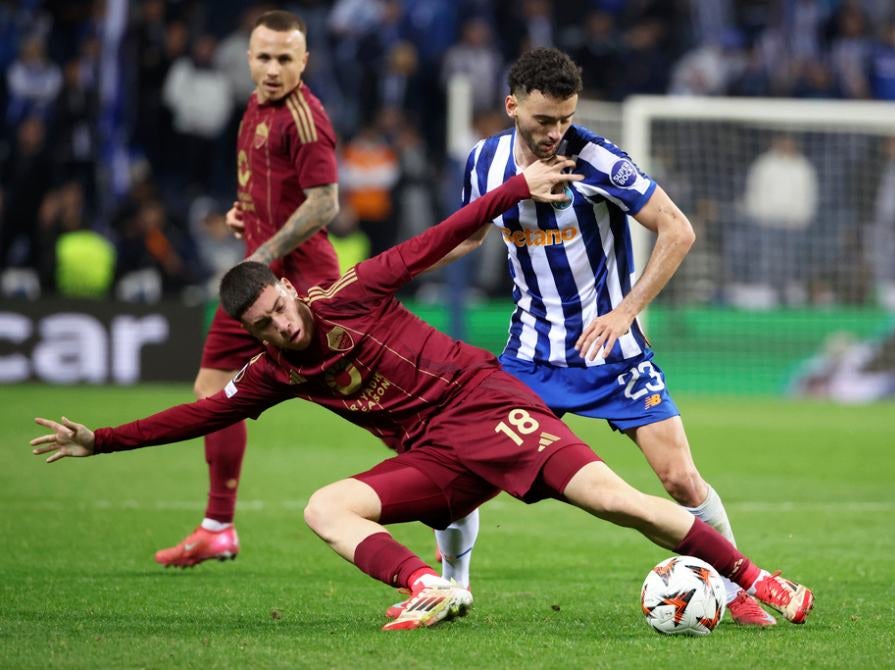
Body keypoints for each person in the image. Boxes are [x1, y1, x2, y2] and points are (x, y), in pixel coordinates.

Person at [30, 161, 814, 632]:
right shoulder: (274, 372)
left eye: (280, 307)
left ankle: (759, 580)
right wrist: (101, 440)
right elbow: (200, 413)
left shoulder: (351, 291)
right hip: (433, 456)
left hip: (488, 408)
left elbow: (442, 234)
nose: (282, 325)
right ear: (253, 332)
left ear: (288, 290)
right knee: (324, 507)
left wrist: (518, 187)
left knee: (620, 502)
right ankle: (428, 585)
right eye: (265, 325)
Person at [424, 47, 776, 627]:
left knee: (680, 478)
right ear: (512, 106)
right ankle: (451, 587)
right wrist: (396, 272)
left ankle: (737, 590)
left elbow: (678, 229)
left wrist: (625, 312)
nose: (555, 133)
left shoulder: (599, 161)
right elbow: (468, 234)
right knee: (462, 470)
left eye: (565, 119)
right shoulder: (483, 161)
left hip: (614, 354)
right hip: (532, 358)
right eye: (544, 120)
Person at [154, 10, 342, 568]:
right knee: (213, 389)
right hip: (259, 280)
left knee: (363, 395)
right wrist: (245, 215)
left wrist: (263, 251)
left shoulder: (306, 118)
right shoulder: (255, 107)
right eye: (264, 57)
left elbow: (325, 203)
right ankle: (218, 527)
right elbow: (269, 187)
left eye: (286, 58)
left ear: (304, 61)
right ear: (248, 58)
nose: (273, 68)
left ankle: (447, 485)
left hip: (301, 282)